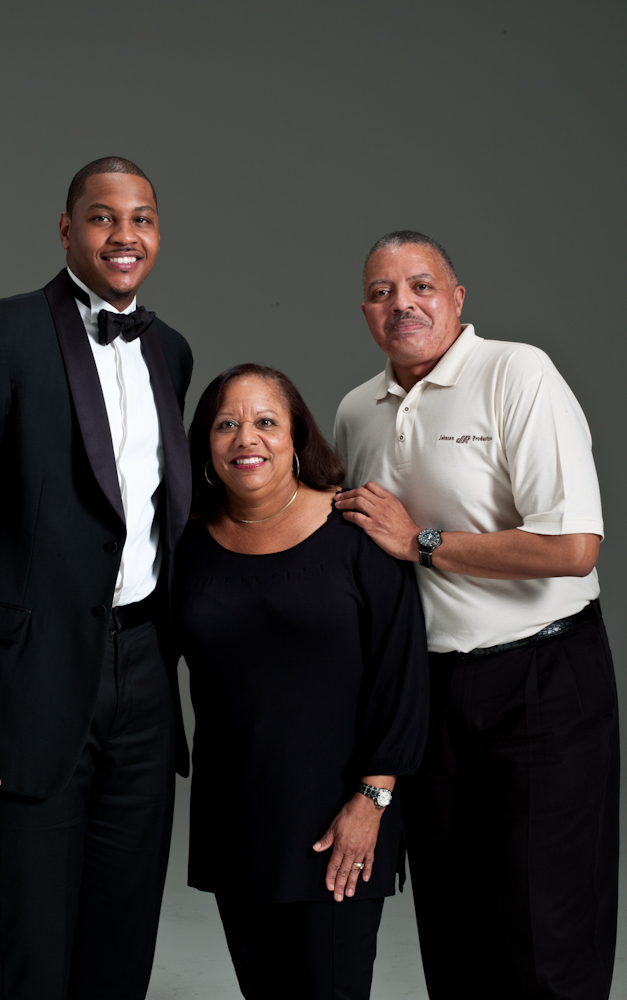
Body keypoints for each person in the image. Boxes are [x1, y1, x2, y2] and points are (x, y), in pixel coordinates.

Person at [0, 156, 193, 1000]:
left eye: (140, 219)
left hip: (143, 672)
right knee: (27, 944)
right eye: (102, 218)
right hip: (25, 684)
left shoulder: (170, 351)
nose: (123, 235)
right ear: (67, 230)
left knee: (123, 934)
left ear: (158, 235)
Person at [333, 231, 619, 1000]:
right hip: (431, 696)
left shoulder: (516, 373)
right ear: (365, 311)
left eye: (422, 286)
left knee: (547, 940)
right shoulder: (357, 412)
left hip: (541, 681)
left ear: (458, 299)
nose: (404, 305)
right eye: (384, 292)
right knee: (456, 937)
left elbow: (573, 547)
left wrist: (422, 542)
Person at [174, 363, 428, 1000]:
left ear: (296, 439)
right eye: (225, 425)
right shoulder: (187, 548)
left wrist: (373, 802)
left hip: (341, 818)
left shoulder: (357, 535)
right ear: (205, 445)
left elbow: (402, 675)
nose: (245, 439)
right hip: (236, 818)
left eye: (265, 422)